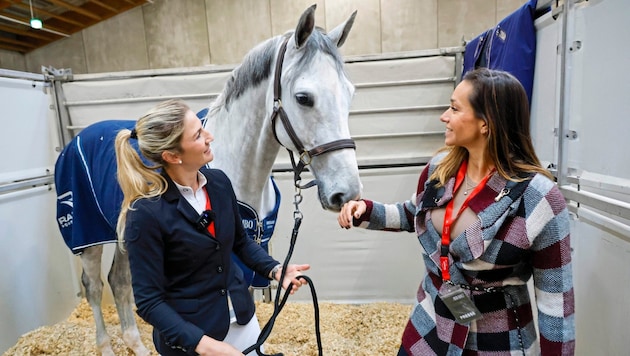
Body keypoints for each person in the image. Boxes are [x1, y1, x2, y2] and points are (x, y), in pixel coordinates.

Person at [338, 68, 575, 355]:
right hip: (429, 324)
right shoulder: (440, 169)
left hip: (498, 340)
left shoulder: (540, 198)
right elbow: (412, 214)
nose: (444, 116)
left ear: (485, 123)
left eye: (454, 108)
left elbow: (556, 305)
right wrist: (365, 210)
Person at [115, 99, 309, 356]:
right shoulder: (145, 214)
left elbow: (241, 242)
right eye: (197, 134)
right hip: (191, 339)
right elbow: (149, 302)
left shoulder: (218, 182)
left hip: (241, 319)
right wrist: (205, 346)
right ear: (172, 156)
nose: (210, 136)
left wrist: (274, 270)